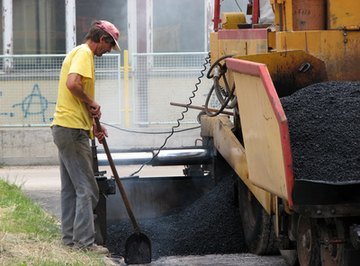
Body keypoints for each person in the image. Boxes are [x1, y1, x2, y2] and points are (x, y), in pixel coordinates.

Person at [51, 20, 121, 254]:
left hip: (66, 127)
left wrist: (93, 125)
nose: (109, 51)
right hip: (71, 130)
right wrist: (91, 102)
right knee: (88, 189)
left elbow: (77, 99)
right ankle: (84, 244)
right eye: (110, 46)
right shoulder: (84, 54)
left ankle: (70, 241)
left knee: (71, 189)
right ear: (102, 40)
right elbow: (73, 84)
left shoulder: (78, 54)